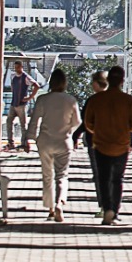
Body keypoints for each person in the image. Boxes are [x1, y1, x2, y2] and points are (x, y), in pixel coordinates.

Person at [85, 65, 132, 225]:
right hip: (121, 145)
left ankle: (107, 208)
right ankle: (115, 211)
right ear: (122, 81)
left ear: (108, 80)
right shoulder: (128, 100)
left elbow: (88, 123)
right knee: (117, 178)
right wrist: (123, 129)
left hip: (101, 144)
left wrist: (100, 130)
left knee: (103, 178)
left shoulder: (96, 100)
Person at [25, 69, 82, 222]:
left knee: (47, 175)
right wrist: (69, 130)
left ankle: (50, 207)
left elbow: (34, 120)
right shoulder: (71, 100)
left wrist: (29, 139)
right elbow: (77, 122)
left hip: (45, 141)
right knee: (61, 175)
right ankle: (59, 203)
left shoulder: (43, 99)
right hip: (64, 141)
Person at [75, 72, 108, 213]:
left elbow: (85, 121)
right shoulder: (117, 99)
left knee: (99, 174)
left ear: (96, 83)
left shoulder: (92, 100)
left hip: (94, 141)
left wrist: (75, 136)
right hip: (113, 140)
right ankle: (112, 206)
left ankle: (103, 205)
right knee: (113, 174)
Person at [5, 61, 36, 151]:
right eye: (15, 67)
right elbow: (12, 86)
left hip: (22, 105)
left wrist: (29, 97)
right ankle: (10, 142)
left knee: (23, 125)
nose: (16, 69)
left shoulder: (25, 77)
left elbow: (36, 85)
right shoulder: (13, 76)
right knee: (9, 121)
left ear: (21, 67)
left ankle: (24, 143)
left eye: (18, 67)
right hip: (13, 103)